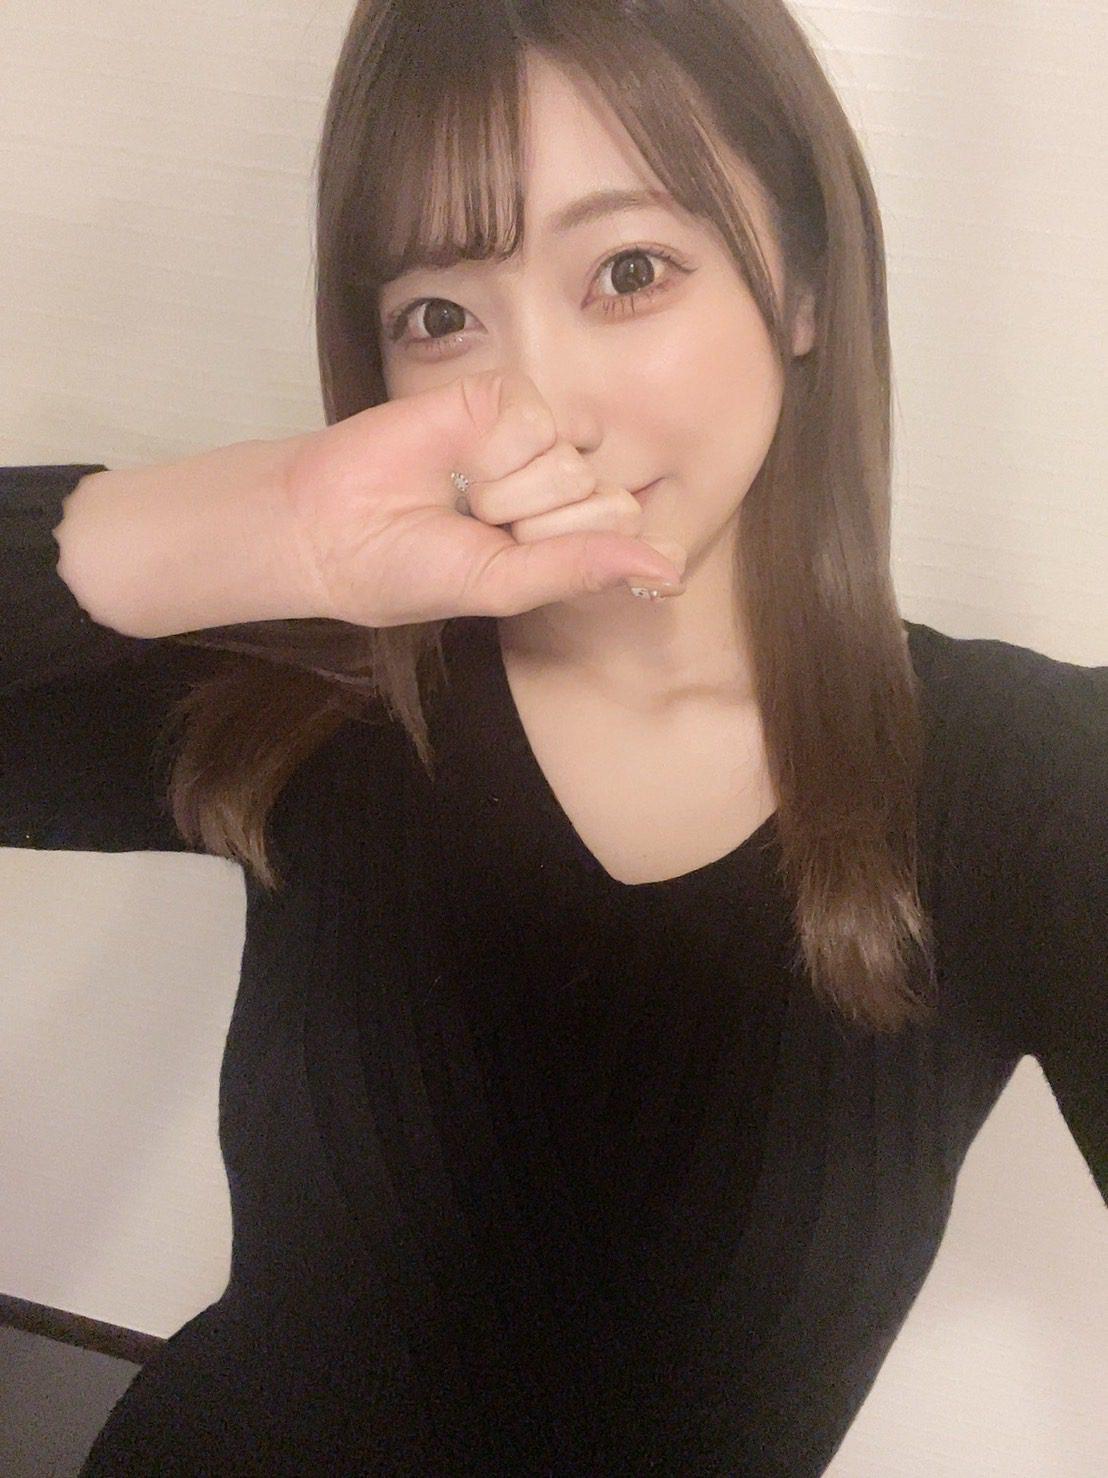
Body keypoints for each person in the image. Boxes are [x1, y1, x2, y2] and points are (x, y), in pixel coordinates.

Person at [3, 4, 1104, 1474]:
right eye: (438, 317)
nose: (543, 411)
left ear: (800, 282)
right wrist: (268, 529)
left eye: (629, 272)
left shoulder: (1027, 780)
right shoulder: (325, 687)